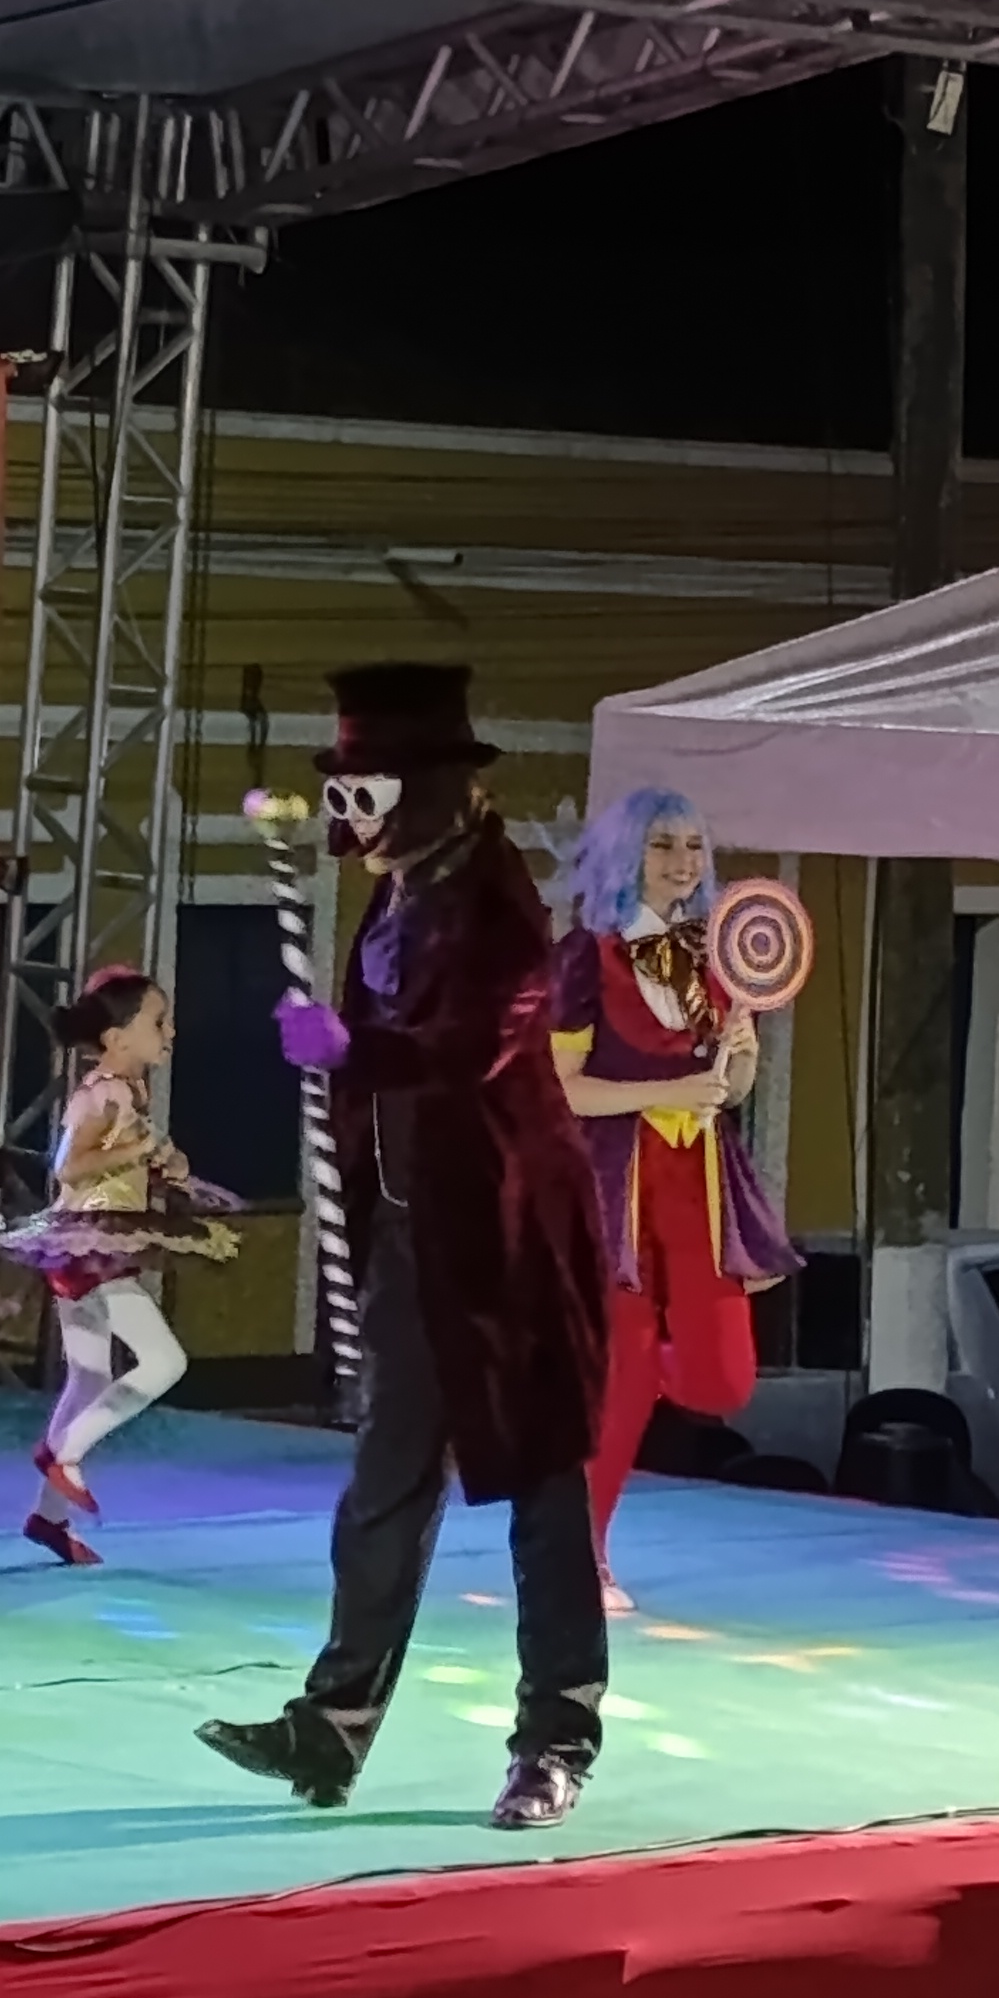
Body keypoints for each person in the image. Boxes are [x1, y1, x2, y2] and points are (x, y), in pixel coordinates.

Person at [197, 665, 613, 1832]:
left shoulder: (498, 900)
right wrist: (335, 1054)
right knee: (383, 1487)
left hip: (510, 1247)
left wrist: (354, 1049)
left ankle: (556, 1739)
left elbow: (487, 1039)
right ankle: (331, 1726)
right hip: (409, 1237)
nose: (351, 817)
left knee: (542, 1491)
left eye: (367, 789)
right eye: (341, 793)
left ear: (424, 788)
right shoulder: (394, 895)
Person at [550, 788, 799, 1611]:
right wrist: (667, 1088)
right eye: (663, 845)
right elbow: (563, 1088)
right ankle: (583, 1555)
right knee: (620, 1374)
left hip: (700, 1184)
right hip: (613, 1184)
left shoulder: (716, 955)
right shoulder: (586, 957)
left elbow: (729, 1088)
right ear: (627, 854)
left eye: (694, 845)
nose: (684, 862)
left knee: (724, 1381)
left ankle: (636, 1372)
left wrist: (740, 1058)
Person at [1, 966, 240, 1568]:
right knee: (165, 1362)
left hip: (92, 1246)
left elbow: (116, 1165)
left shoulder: (124, 1092)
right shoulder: (104, 1092)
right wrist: (141, 1149)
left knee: (88, 1376)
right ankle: (65, 1454)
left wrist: (163, 1169)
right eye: (158, 1022)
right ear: (116, 1037)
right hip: (91, 1246)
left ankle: (48, 1516)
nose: (171, 1032)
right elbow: (68, 1167)